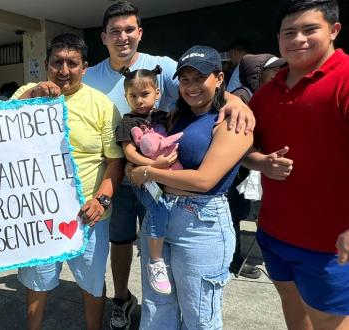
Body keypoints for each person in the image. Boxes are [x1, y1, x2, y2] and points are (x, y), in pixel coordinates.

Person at [82, 2, 256, 328]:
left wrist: (238, 103)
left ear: (140, 32)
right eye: (115, 31)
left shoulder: (161, 66)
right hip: (118, 175)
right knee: (124, 245)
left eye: (129, 29)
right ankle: (121, 299)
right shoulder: (90, 77)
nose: (123, 37)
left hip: (167, 183)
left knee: (193, 304)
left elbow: (203, 92)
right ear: (103, 37)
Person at [128, 45, 253, 329]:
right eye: (185, 79)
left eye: (200, 77)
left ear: (219, 78)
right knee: (156, 307)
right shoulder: (173, 116)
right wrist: (136, 167)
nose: (192, 86)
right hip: (159, 215)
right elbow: (142, 154)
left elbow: (204, 180)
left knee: (199, 316)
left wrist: (146, 172)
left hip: (202, 224)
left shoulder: (233, 120)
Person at [243, 0, 349, 328]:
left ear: (334, 30)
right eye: (290, 32)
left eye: (309, 29)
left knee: (331, 321)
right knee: (294, 310)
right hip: (275, 235)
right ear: (278, 39)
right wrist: (259, 161)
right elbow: (244, 150)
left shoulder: (345, 80)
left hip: (329, 244)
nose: (298, 39)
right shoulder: (266, 92)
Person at [13, 33, 125, 330]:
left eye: (72, 63)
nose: (64, 70)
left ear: (84, 67)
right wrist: (31, 96)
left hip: (88, 216)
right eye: (57, 63)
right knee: (37, 283)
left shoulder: (102, 105)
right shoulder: (29, 92)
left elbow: (115, 161)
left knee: (92, 285)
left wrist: (101, 200)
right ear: (46, 65)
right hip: (38, 215)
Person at [114, 65, 175, 295]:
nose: (139, 100)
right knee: (157, 209)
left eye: (145, 94)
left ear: (157, 93)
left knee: (165, 212)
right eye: (133, 96)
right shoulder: (128, 122)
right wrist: (152, 166)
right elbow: (129, 153)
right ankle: (155, 261)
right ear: (126, 97)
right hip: (142, 180)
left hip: (166, 178)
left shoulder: (164, 116)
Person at [228, 53, 286, 279]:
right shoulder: (242, 97)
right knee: (233, 214)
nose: (280, 74)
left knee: (239, 213)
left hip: (248, 167)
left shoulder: (266, 95)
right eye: (274, 71)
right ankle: (233, 260)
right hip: (234, 170)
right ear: (258, 74)